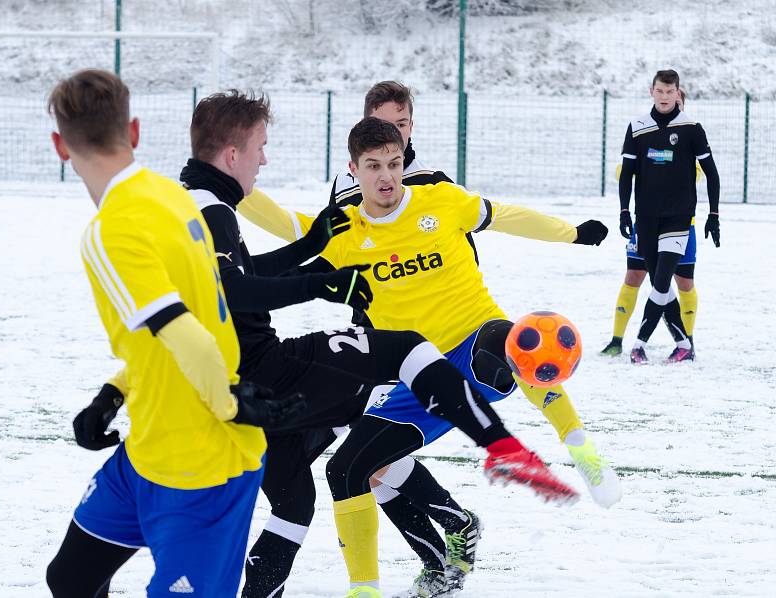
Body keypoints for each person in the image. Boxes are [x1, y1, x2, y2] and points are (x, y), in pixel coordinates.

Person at [176, 90, 580, 598]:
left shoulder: (434, 191)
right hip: (307, 358)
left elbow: (236, 276)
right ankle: (461, 512)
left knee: (327, 481)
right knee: (345, 462)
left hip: (347, 362)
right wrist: (314, 274)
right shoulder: (297, 204)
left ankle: (435, 541)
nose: (266, 156)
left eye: (402, 131)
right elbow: (255, 273)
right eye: (259, 145)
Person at [290, 117, 618, 597]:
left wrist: (570, 233)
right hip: (398, 362)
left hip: (470, 333)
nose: (388, 171)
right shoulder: (342, 219)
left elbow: (503, 215)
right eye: (376, 161)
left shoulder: (436, 194)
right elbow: (289, 236)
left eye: (398, 149)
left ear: (408, 140)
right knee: (356, 469)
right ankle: (446, 539)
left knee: (509, 345)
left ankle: (582, 449)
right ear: (354, 164)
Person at [44, 69, 305, 598]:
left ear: (59, 146)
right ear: (133, 131)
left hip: (200, 467)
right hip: (146, 450)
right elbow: (188, 325)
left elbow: (189, 336)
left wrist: (229, 405)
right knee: (70, 578)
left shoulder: (109, 232)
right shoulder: (172, 196)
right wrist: (114, 393)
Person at [614, 70, 720, 364]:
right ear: (652, 91)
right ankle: (683, 344)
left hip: (678, 216)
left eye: (669, 92)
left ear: (678, 93)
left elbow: (712, 173)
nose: (664, 97)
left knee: (662, 280)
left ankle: (639, 344)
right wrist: (624, 210)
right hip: (645, 217)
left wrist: (714, 214)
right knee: (659, 285)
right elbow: (627, 175)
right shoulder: (637, 127)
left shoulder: (692, 128)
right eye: (659, 91)